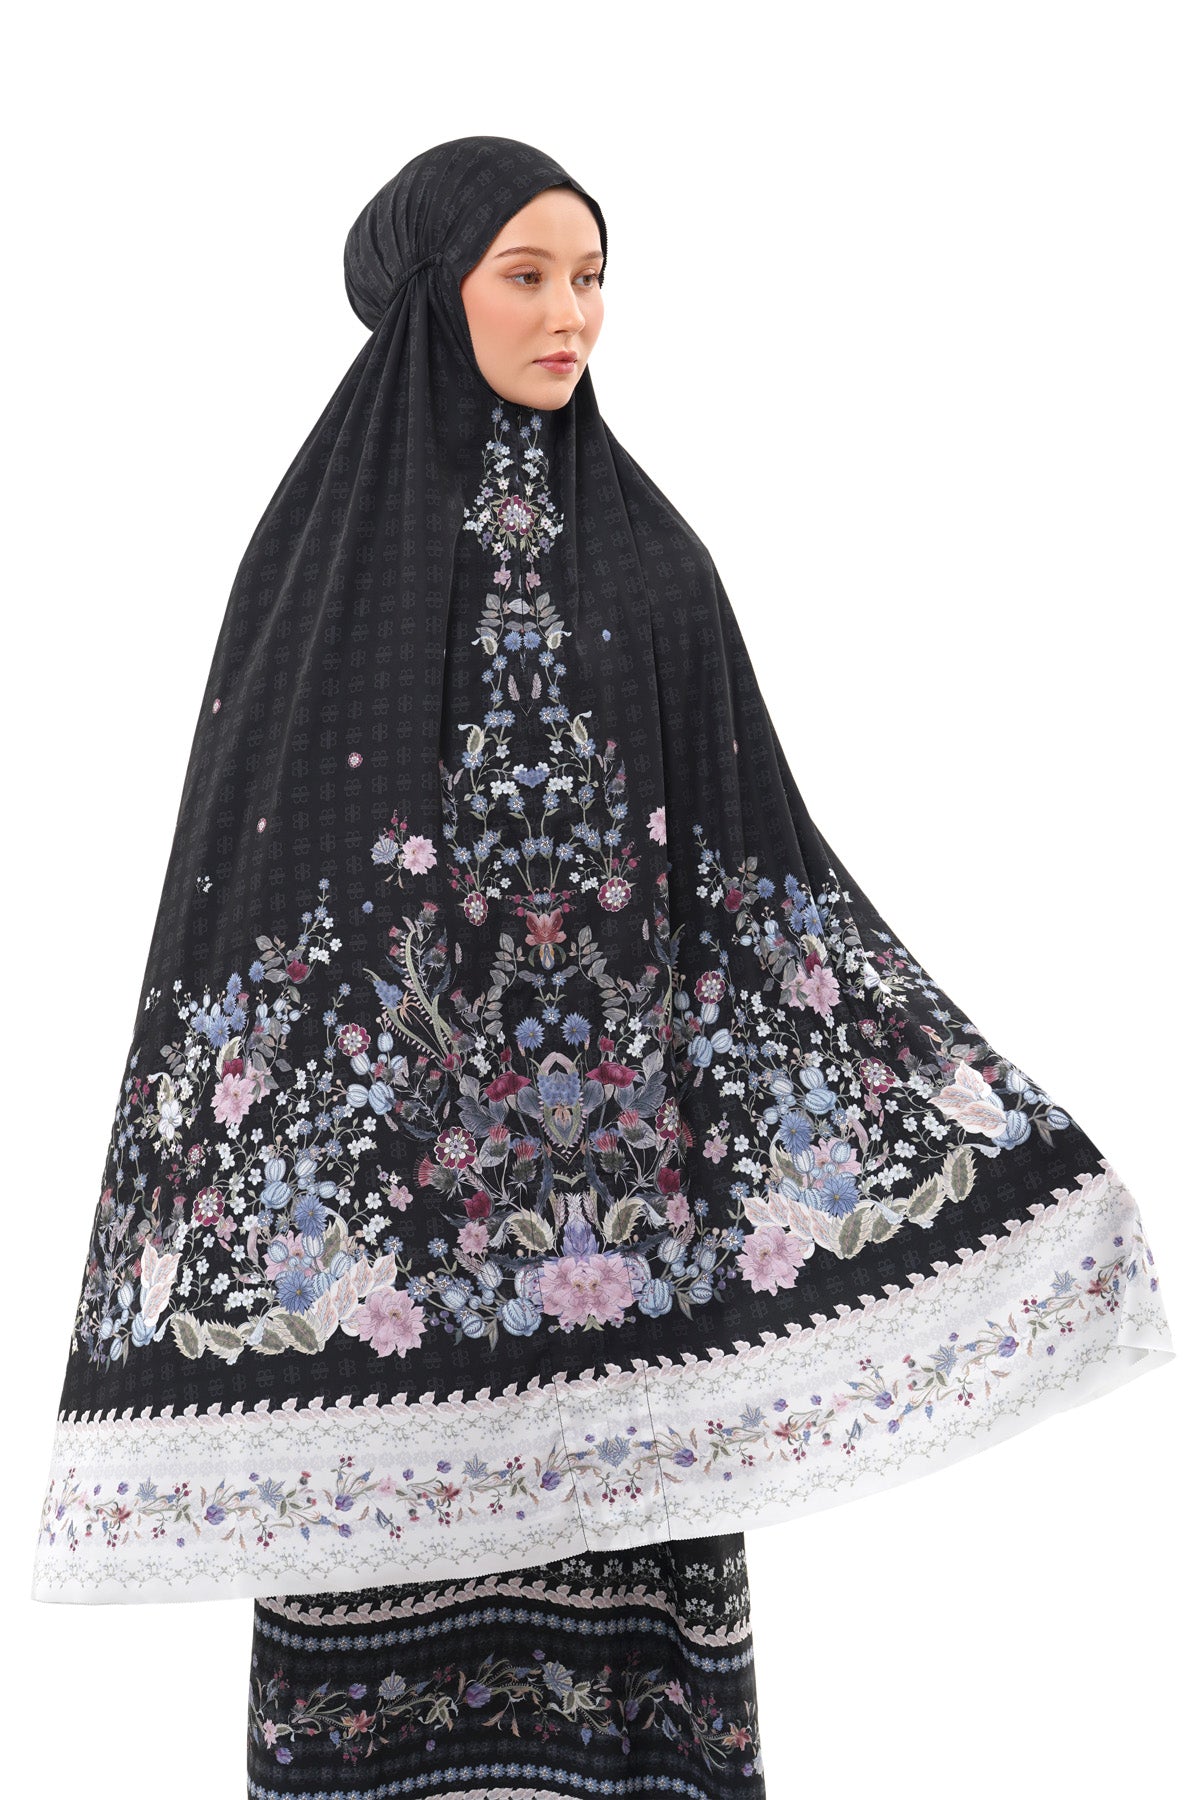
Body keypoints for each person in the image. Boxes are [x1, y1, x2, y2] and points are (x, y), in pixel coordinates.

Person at [32, 137, 1175, 1799]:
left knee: (630, 1704)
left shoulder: (653, 558)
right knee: (377, 1687)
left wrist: (987, 1134)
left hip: (622, 1244)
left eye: (591, 278)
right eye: (527, 276)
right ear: (434, 295)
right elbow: (254, 907)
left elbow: (760, 882)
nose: (570, 314)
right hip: (388, 1247)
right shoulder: (313, 573)